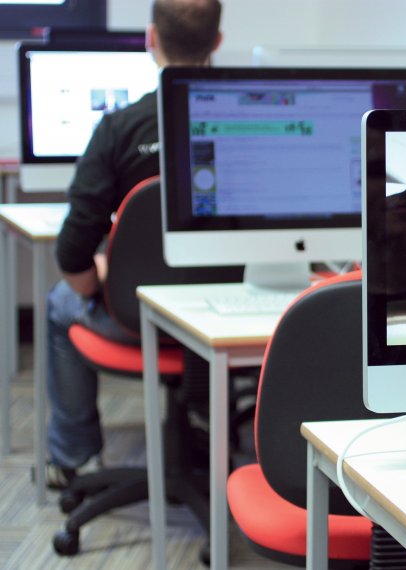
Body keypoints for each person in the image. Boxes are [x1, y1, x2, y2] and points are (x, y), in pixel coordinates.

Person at [45, 0, 223, 489]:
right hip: (226, 317)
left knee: (60, 303)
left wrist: (97, 281)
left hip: (137, 319)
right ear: (217, 42)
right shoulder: (246, 121)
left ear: (151, 38)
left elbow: (73, 251)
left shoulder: (119, 129)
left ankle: (72, 457)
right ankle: (214, 429)